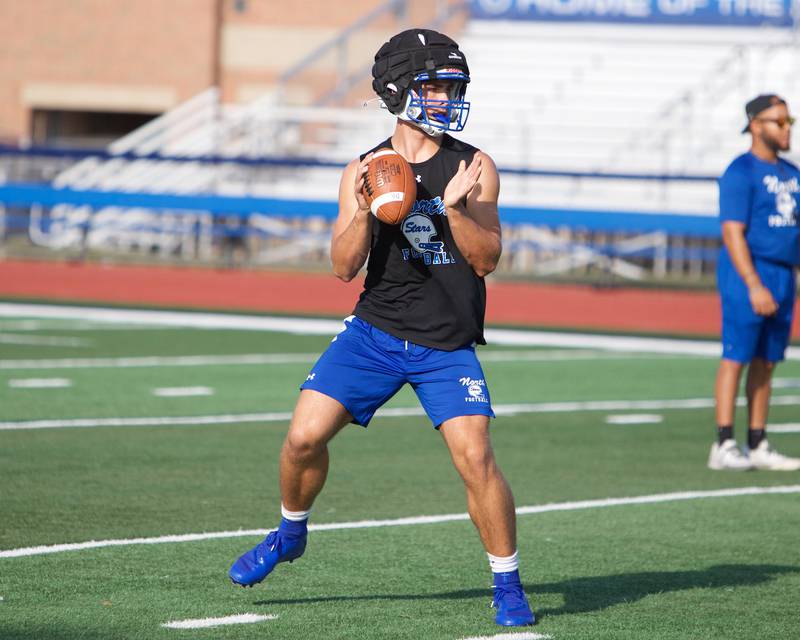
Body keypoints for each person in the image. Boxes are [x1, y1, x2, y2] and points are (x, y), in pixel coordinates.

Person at [228, 28, 535, 627]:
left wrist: (452, 209)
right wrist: (369, 209)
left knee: (476, 458)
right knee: (301, 439)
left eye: (454, 87)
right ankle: (291, 532)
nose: (448, 98)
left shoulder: (474, 166)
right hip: (374, 331)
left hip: (445, 342)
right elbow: (343, 268)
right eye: (436, 86)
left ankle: (508, 583)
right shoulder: (363, 168)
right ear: (399, 89)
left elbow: (487, 259)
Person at [708, 94, 800, 472]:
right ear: (757, 125)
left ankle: (757, 441)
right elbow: (732, 233)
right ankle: (724, 442)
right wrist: (753, 283)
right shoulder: (740, 171)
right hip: (750, 272)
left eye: (789, 121)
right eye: (779, 121)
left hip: (782, 273)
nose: (787, 128)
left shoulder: (791, 173)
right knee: (737, 356)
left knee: (768, 360)